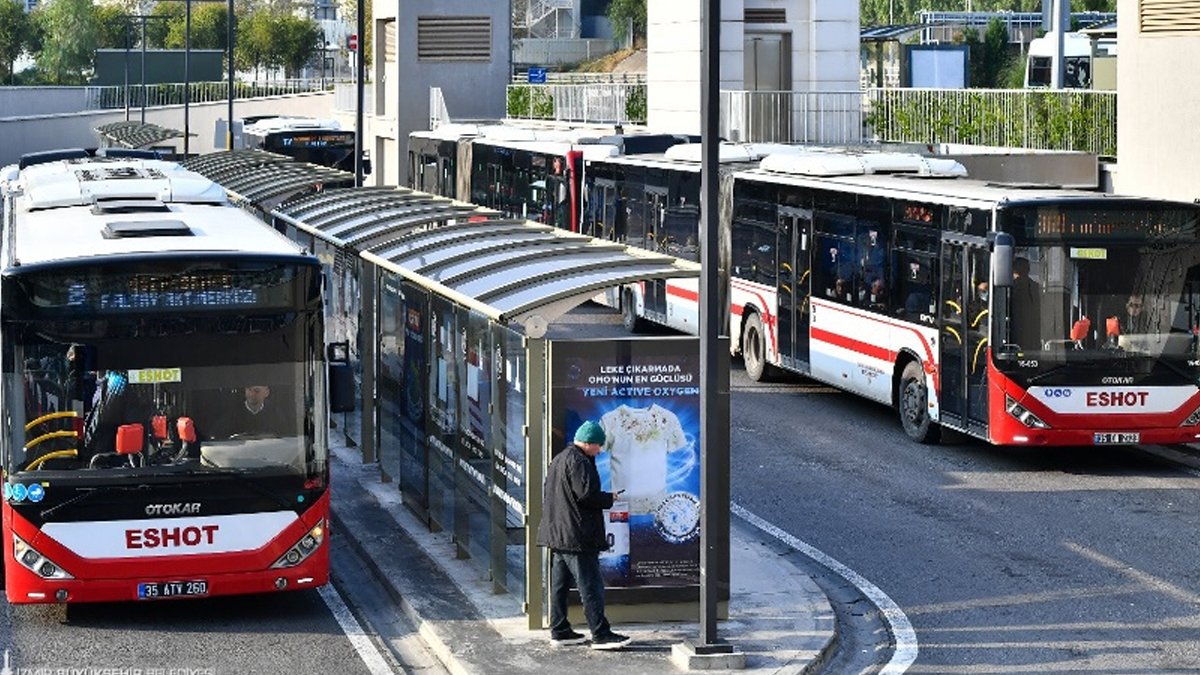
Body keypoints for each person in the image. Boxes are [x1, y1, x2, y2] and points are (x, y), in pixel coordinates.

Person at [535, 420, 631, 650]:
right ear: (588, 443)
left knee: (559, 585)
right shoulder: (580, 462)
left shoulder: (559, 459)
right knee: (591, 585)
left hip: (558, 534)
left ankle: (559, 629)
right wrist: (611, 498)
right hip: (577, 536)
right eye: (598, 445)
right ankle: (600, 633)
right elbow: (586, 495)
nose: (600, 450)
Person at [221, 384, 287, 437]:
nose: (252, 394)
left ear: (267, 392)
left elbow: (285, 437)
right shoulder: (232, 414)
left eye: (256, 391)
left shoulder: (275, 414)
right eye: (249, 389)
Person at [1010, 257, 1041, 348]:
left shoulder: (1008, 287)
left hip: (1014, 332)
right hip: (1034, 331)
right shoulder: (1036, 287)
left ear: (1013, 270)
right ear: (1028, 270)